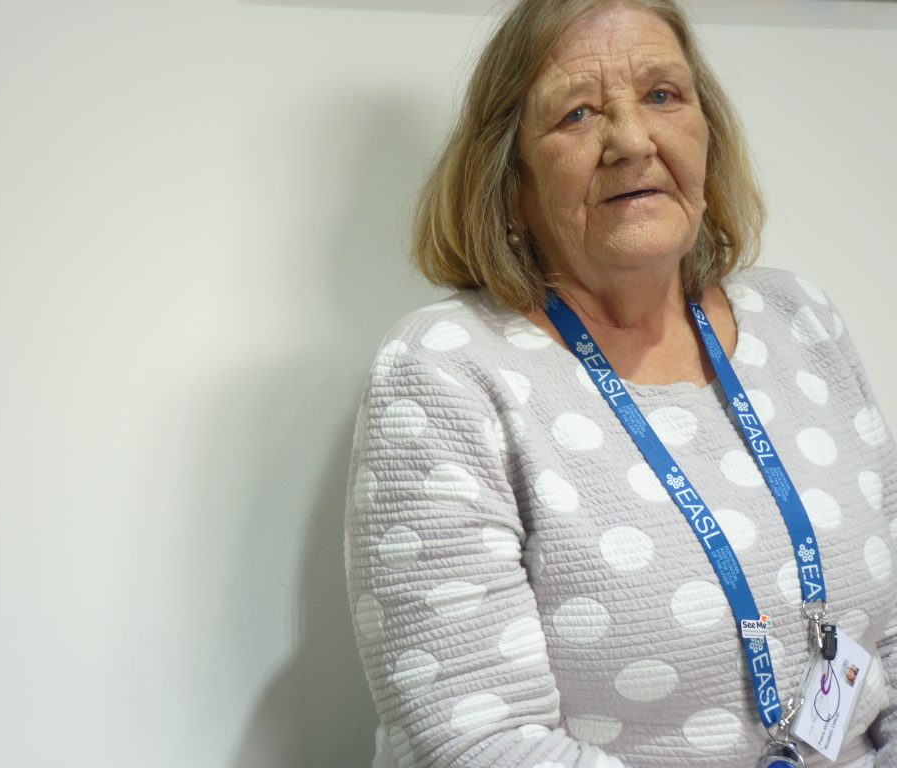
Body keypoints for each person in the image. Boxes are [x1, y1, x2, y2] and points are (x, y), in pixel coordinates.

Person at [343, 0, 896, 765]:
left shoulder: (798, 317)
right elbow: (472, 741)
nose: (633, 140)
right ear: (511, 181)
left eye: (663, 95)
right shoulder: (445, 371)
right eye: (576, 114)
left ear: (707, 134)